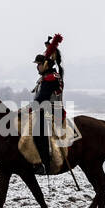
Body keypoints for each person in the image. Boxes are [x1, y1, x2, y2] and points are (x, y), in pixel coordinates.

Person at [31, 33, 64, 173]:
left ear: (44, 64)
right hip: (43, 110)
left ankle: (44, 164)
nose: (37, 67)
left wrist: (27, 109)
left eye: (38, 64)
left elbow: (42, 98)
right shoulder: (45, 77)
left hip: (52, 111)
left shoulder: (51, 78)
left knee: (38, 133)